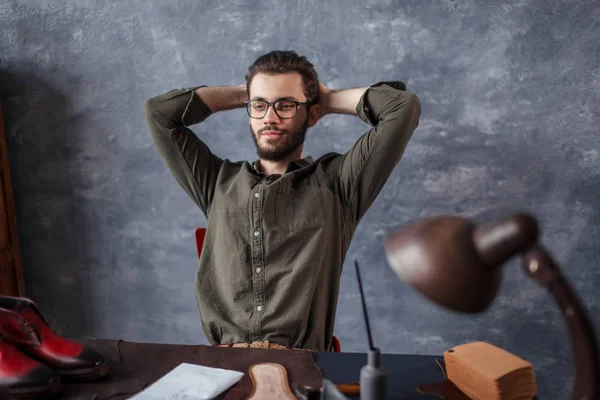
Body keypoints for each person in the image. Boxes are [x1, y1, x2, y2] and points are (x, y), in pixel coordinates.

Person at [143, 50, 421, 352]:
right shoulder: (217, 181)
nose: (270, 118)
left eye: (286, 105)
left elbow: (401, 108)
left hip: (300, 368)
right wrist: (246, 94)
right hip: (224, 365)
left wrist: (326, 100)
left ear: (311, 114)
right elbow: (159, 113)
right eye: (259, 106)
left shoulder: (339, 183)